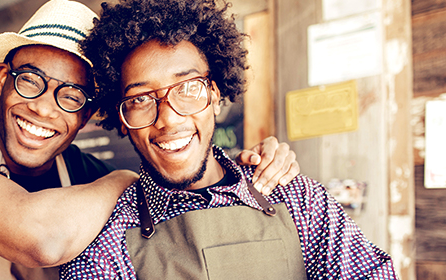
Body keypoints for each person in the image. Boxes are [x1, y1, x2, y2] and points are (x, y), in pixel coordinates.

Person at [0, 0, 299, 279]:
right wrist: (125, 178)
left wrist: (244, 169)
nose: (43, 108)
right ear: (3, 78)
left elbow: (182, 202)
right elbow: (36, 238)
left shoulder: (83, 172)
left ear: (88, 113)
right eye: (30, 81)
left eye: (71, 96)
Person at [61, 0, 398, 279]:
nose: (168, 118)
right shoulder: (109, 235)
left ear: (215, 93)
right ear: (122, 119)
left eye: (188, 88)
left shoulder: (298, 199)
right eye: (140, 99)